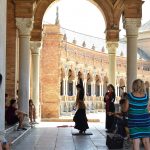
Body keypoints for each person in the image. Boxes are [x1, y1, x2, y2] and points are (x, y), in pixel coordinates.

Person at [127, 79, 150, 150]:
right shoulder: (146, 97)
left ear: (134, 86)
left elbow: (126, 108)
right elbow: (147, 108)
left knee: (136, 141)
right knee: (146, 141)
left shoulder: (130, 96)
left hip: (134, 121)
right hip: (145, 121)